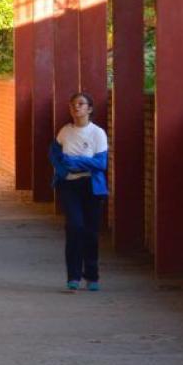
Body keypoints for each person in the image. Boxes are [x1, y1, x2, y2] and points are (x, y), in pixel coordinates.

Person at [50, 92, 109, 292]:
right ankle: (73, 276)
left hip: (92, 186)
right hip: (70, 186)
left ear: (89, 109)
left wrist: (75, 161)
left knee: (91, 232)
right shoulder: (65, 132)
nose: (76, 107)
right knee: (74, 227)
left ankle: (92, 275)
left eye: (81, 104)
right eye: (73, 104)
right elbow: (56, 157)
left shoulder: (97, 133)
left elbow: (100, 163)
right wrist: (67, 168)